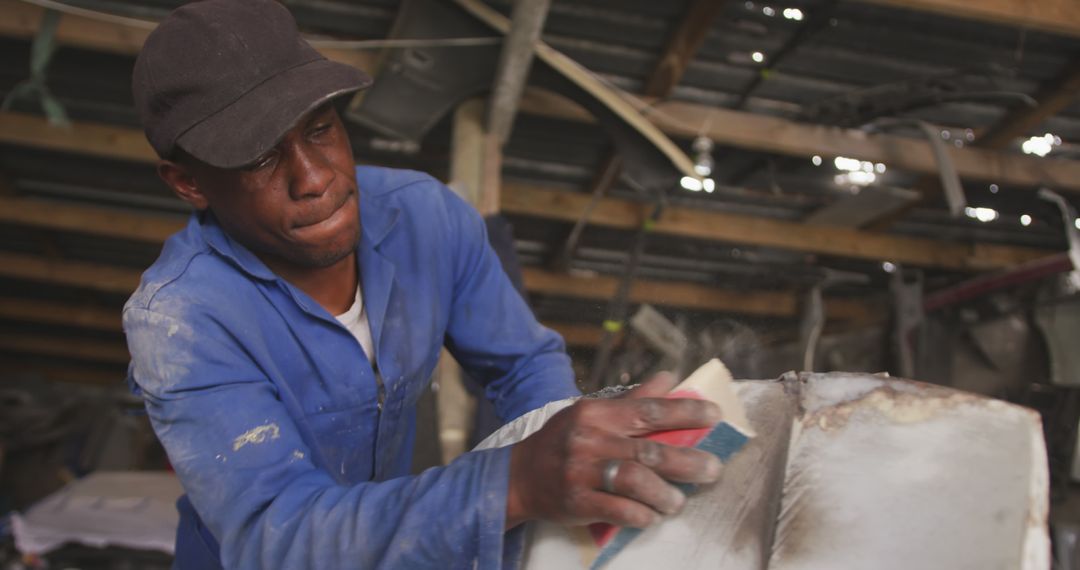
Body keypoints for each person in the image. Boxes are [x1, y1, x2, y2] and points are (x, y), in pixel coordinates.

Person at [123, 1, 723, 568]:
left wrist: (567, 455)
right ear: (189, 183)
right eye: (259, 160)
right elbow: (280, 532)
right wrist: (513, 482)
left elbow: (523, 364)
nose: (314, 178)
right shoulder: (181, 320)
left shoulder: (425, 217)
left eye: (321, 129)